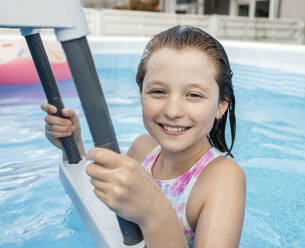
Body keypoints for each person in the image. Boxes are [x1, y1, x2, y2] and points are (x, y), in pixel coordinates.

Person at [41, 25, 246, 248]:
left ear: (221, 105)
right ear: (141, 94)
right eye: (158, 92)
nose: (172, 111)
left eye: (193, 95)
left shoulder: (222, 178)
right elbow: (106, 214)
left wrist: (153, 212)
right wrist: (73, 146)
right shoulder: (143, 148)